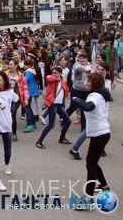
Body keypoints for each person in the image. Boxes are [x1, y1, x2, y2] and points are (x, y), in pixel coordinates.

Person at [72, 73, 111, 211]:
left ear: (95, 83)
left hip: (100, 133)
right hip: (100, 133)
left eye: (89, 81)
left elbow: (88, 107)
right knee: (93, 162)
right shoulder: (99, 94)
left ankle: (88, 198)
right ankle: (104, 185)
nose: (87, 82)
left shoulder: (95, 96)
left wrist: (77, 100)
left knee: (90, 164)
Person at [36, 67, 72, 149]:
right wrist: (57, 78)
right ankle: (39, 141)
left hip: (59, 105)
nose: (54, 74)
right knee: (51, 125)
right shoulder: (52, 81)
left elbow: (66, 91)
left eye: (56, 73)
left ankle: (62, 138)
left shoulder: (63, 82)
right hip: (53, 104)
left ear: (60, 73)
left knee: (68, 121)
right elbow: (48, 77)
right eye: (53, 73)